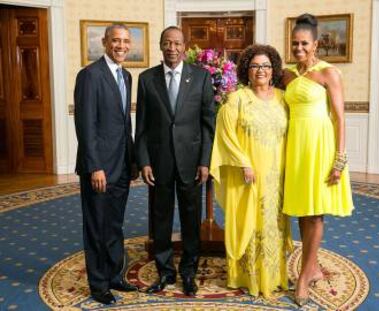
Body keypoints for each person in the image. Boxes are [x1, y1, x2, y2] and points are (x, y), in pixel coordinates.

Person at [135, 26, 215, 296]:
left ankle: (189, 273)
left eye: (177, 43)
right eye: (167, 43)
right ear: (160, 45)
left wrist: (205, 161)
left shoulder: (202, 78)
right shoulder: (146, 79)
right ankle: (165, 272)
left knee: (191, 221)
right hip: (159, 164)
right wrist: (144, 161)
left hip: (192, 164)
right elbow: (142, 127)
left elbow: (207, 125)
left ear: (185, 47)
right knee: (161, 220)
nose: (172, 48)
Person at [210, 44, 293, 298]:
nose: (261, 70)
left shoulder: (283, 98)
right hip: (249, 174)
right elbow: (225, 135)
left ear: (273, 69)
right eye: (255, 65)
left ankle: (274, 275)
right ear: (247, 69)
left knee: (274, 224)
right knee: (250, 222)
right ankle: (250, 277)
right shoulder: (237, 99)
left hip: (277, 174)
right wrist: (244, 162)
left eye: (266, 66)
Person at [282, 13, 354, 306]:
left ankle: (302, 275)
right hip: (295, 147)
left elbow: (339, 118)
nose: (299, 49)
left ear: (315, 44)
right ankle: (312, 267)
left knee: (315, 212)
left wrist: (340, 160)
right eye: (295, 44)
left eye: (304, 44)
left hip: (320, 148)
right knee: (302, 209)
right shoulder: (287, 74)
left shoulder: (329, 73)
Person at [74, 24, 138, 305]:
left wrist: (132, 161)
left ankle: (113, 275)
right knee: (97, 227)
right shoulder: (90, 75)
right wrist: (94, 166)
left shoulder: (126, 76)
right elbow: (85, 125)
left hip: (122, 166)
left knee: (114, 225)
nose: (121, 46)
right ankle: (98, 284)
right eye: (116, 40)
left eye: (125, 41)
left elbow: (125, 125)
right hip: (99, 168)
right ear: (105, 42)